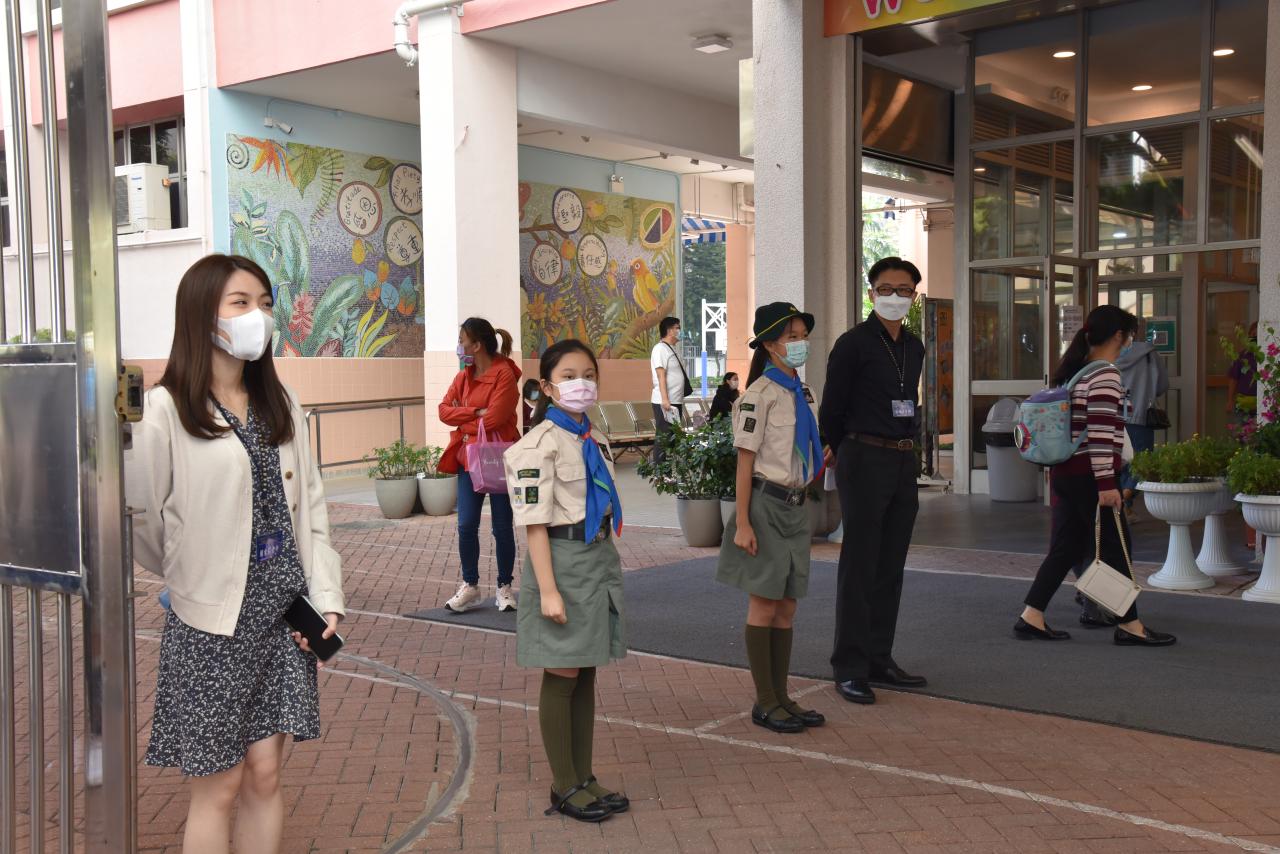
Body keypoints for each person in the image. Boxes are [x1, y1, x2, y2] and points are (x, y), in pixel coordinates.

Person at [127, 253, 344, 854]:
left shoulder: (280, 402)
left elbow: (311, 510)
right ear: (203, 314)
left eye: (266, 304)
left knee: (266, 775)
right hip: (211, 625)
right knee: (218, 787)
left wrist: (326, 597)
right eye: (241, 303)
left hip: (283, 617)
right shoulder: (167, 409)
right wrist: (189, 571)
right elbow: (143, 517)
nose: (259, 316)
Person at [503, 339, 629, 824]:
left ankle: (584, 776)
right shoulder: (536, 447)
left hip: (596, 558)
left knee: (587, 669)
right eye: (570, 376)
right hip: (561, 561)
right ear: (548, 387)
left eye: (589, 375)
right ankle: (564, 784)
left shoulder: (591, 438)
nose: (582, 384)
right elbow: (534, 526)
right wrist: (548, 591)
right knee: (563, 673)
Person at [1015, 304, 1176, 647]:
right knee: (1116, 546)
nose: (1129, 342)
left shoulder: (1078, 372)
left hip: (1066, 472)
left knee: (1066, 547)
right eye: (1129, 336)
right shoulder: (1105, 376)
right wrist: (1106, 483)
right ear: (1119, 335)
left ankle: (1032, 614)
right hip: (1090, 475)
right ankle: (1130, 625)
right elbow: (1101, 433)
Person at [716, 304, 831, 734]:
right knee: (764, 603)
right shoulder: (757, 397)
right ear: (769, 345)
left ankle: (782, 696)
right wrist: (743, 523)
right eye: (791, 337)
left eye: (803, 336)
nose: (800, 344)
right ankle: (765, 701)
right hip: (765, 505)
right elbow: (745, 464)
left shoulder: (806, 393)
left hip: (796, 507)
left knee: (787, 606)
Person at [819, 257, 928, 705]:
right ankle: (849, 666)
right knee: (861, 563)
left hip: (902, 459)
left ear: (914, 297)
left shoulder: (914, 347)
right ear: (871, 293)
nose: (895, 297)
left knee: (891, 564)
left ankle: (880, 657)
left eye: (904, 290)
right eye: (886, 289)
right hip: (863, 456)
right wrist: (840, 448)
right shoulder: (852, 344)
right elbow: (832, 408)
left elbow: (909, 401)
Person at [438, 318, 522, 613]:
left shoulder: (504, 374)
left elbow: (496, 419)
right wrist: (475, 412)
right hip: (468, 460)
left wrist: (464, 421)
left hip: (498, 459)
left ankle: (504, 587)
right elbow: (443, 411)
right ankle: (470, 585)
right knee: (466, 524)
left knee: (502, 526)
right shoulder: (463, 376)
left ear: (477, 345)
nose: (459, 346)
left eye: (461, 340)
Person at [1115, 325, 1169, 511]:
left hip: (1114, 416)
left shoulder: (1108, 354)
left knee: (1119, 462)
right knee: (1141, 462)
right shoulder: (1149, 354)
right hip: (1140, 416)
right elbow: (1162, 384)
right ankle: (1125, 499)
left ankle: (1122, 506)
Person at [649, 316, 689, 462]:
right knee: (663, 437)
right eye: (678, 328)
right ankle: (660, 470)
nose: (680, 331)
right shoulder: (660, 349)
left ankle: (670, 468)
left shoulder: (671, 349)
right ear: (669, 330)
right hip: (665, 401)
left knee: (672, 438)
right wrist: (665, 400)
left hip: (675, 400)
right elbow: (661, 375)